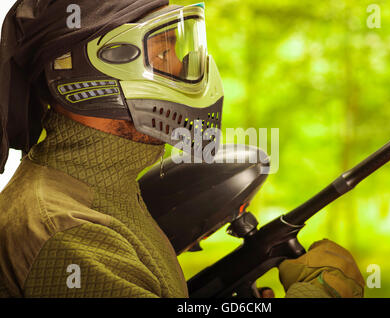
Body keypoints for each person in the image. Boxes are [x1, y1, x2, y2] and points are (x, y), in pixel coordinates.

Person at [0, 0, 364, 298]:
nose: (184, 66)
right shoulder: (67, 231)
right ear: (92, 73)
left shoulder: (101, 187)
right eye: (164, 53)